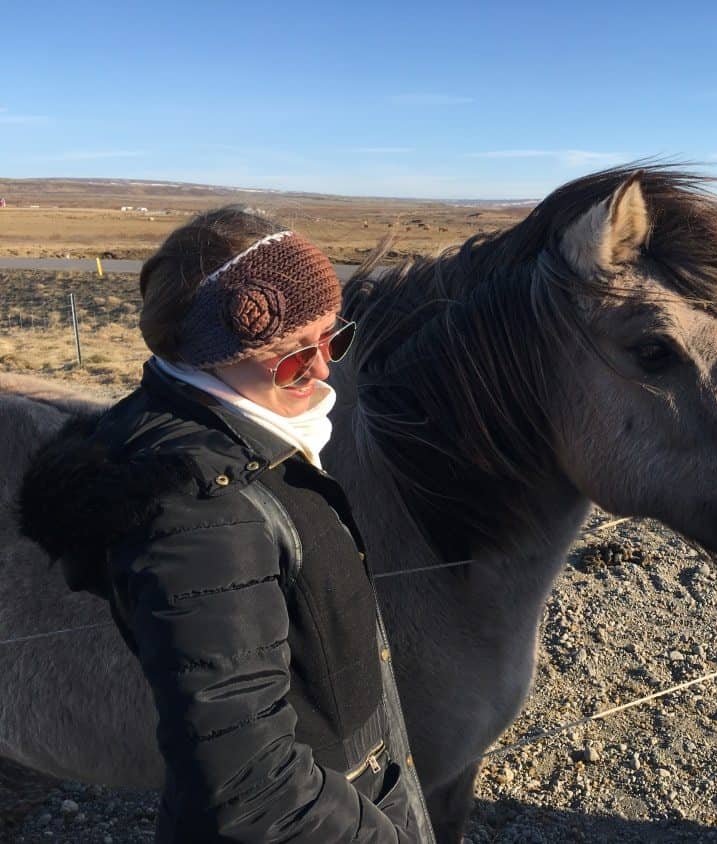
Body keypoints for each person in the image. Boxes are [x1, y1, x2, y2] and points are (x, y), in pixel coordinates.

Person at [18, 207, 436, 843]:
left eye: (335, 339)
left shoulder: (243, 434)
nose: (324, 370)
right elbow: (252, 789)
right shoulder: (201, 516)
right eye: (295, 357)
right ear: (211, 355)